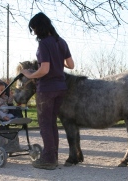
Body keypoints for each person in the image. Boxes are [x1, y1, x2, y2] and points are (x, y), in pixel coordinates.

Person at [21, 12, 75, 170]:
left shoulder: (44, 43)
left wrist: (30, 74)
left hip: (47, 89)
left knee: (45, 124)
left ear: (40, 26)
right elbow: (71, 65)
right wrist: (58, 61)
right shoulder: (62, 42)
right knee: (52, 124)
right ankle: (53, 156)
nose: (34, 32)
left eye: (34, 28)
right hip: (61, 88)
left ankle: (49, 159)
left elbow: (44, 69)